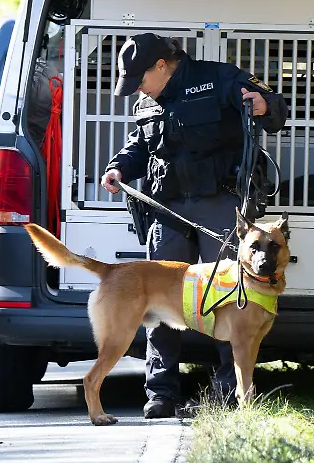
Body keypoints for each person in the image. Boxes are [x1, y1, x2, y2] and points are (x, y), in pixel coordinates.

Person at [100, 32, 289, 419]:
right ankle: (161, 393)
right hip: (167, 210)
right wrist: (119, 166)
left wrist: (263, 104)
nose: (139, 90)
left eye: (140, 81)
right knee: (158, 304)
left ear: (161, 66)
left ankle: (225, 394)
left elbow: (276, 109)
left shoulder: (221, 78)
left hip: (219, 206)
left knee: (230, 301)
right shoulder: (148, 100)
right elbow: (140, 144)